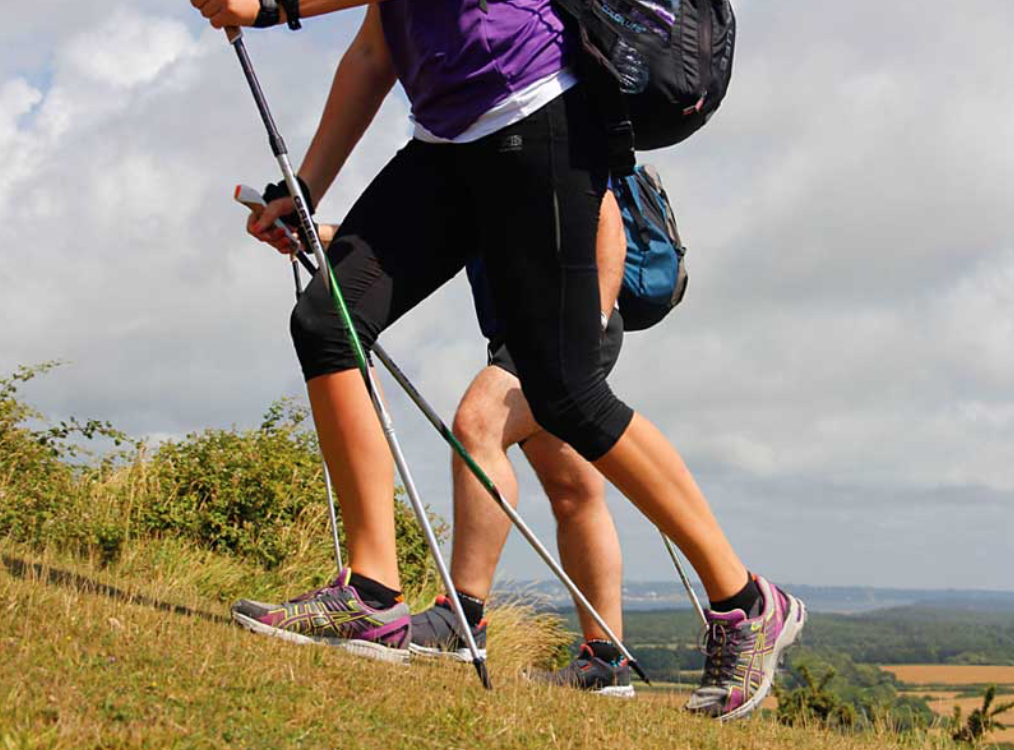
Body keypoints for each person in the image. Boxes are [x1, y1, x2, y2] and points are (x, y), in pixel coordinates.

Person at [192, 0, 806, 720]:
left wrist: (273, 8)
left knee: (567, 395)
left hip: (537, 118)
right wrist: (304, 194)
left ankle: (745, 601)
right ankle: (371, 595)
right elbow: (371, 57)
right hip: (444, 143)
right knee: (328, 321)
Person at [409, 189, 633, 698]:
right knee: (573, 490)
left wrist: (588, 325)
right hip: (530, 334)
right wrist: (325, 237)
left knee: (478, 424)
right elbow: (426, 239)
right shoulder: (468, 155)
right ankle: (606, 662)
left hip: (565, 328)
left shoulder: (529, 124)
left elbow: (607, 220)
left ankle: (460, 620)